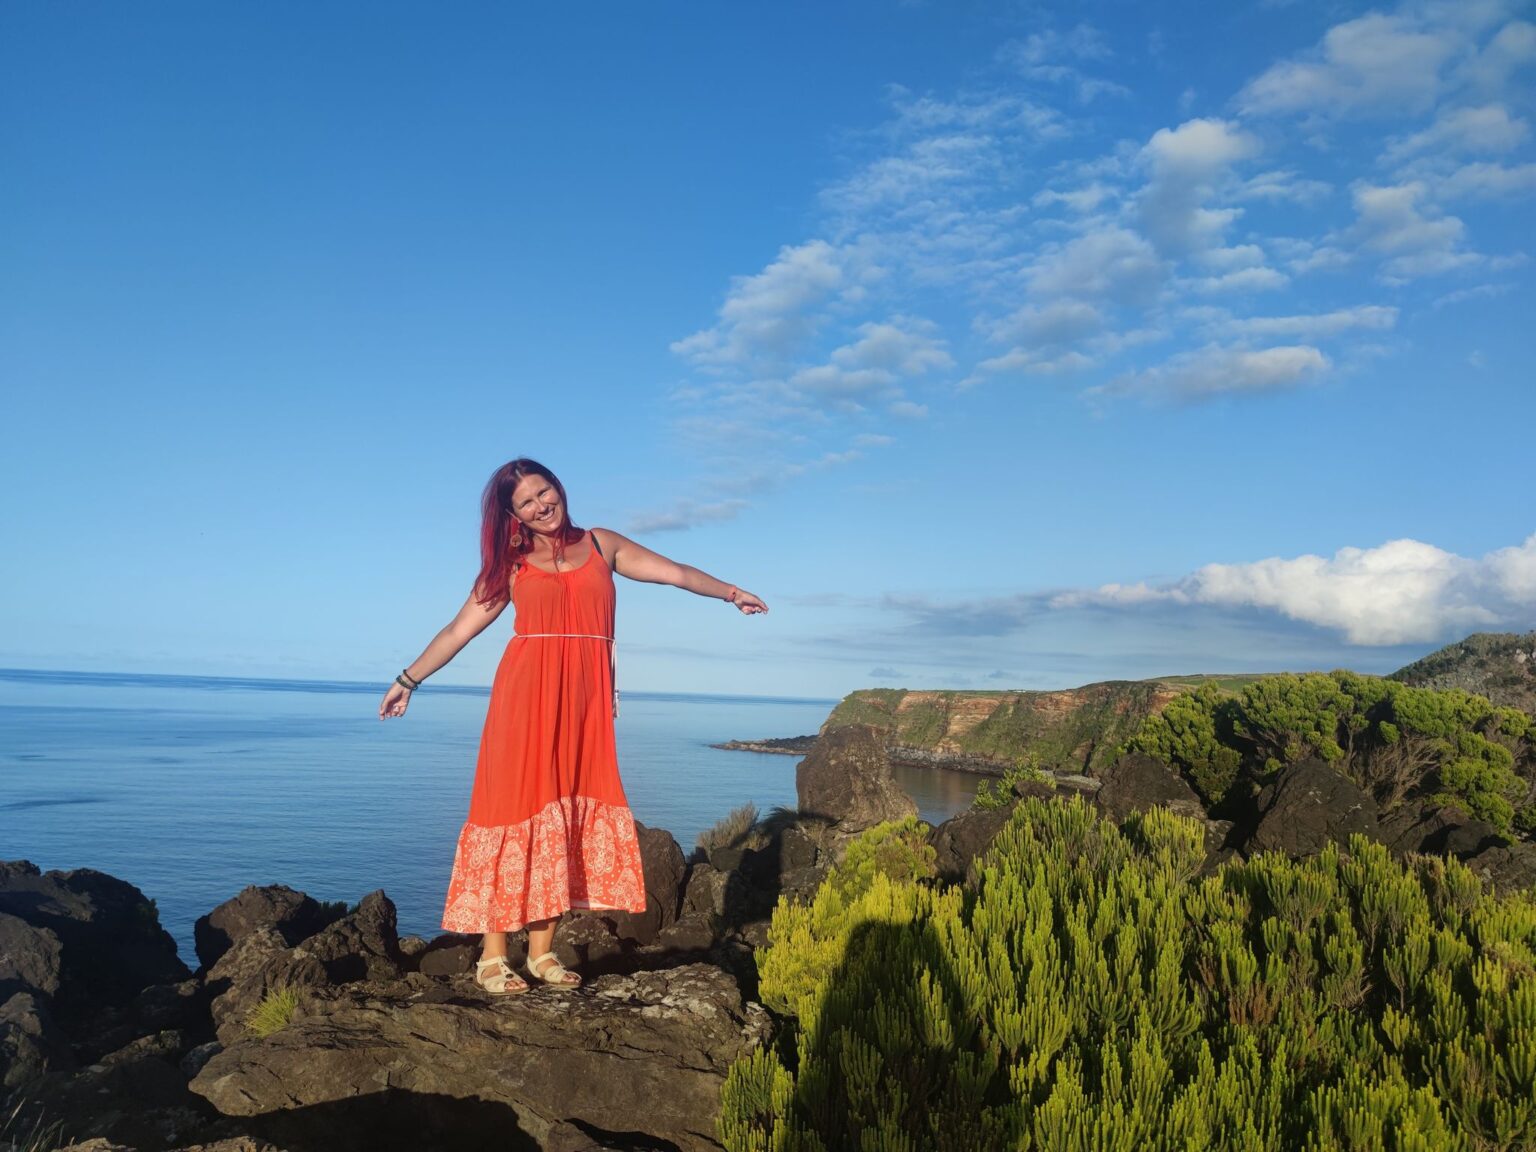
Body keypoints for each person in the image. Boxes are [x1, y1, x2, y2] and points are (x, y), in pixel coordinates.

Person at [378, 458, 767, 995]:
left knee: (566, 813)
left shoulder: (602, 545)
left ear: (559, 487)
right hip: (524, 699)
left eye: (545, 491)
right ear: (512, 515)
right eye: (527, 503)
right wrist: (408, 679)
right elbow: (457, 629)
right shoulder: (509, 564)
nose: (542, 505)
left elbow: (675, 572)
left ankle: (541, 953)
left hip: (584, 706)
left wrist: (729, 592)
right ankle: (493, 954)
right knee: (510, 811)